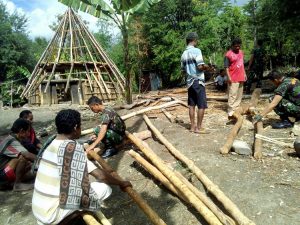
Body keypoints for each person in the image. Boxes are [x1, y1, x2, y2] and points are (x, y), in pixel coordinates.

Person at [32, 109, 131, 225]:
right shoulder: (71, 148)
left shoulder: (50, 145)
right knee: (104, 188)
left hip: (39, 212)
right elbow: (101, 176)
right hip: (51, 216)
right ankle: (70, 217)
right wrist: (121, 182)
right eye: (80, 125)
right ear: (75, 127)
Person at [181, 32, 210, 133]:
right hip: (198, 81)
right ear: (194, 40)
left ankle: (192, 127)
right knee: (201, 105)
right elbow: (200, 66)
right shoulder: (197, 51)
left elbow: (183, 70)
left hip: (189, 82)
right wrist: (207, 67)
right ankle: (199, 128)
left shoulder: (183, 54)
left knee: (192, 105)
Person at [0, 118, 37, 191]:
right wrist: (46, 161)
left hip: (4, 171)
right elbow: (27, 155)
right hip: (1, 175)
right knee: (23, 158)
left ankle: (10, 183)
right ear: (22, 131)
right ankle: (17, 185)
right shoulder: (11, 140)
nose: (29, 134)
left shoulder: (11, 137)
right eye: (28, 131)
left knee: (32, 170)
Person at [224, 38, 247, 118]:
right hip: (233, 76)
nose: (238, 48)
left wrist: (244, 73)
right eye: (236, 46)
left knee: (239, 94)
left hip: (241, 75)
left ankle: (236, 107)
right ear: (232, 46)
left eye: (239, 46)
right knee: (232, 94)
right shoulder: (228, 54)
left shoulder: (241, 52)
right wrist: (228, 77)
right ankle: (230, 109)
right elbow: (226, 67)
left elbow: (242, 64)